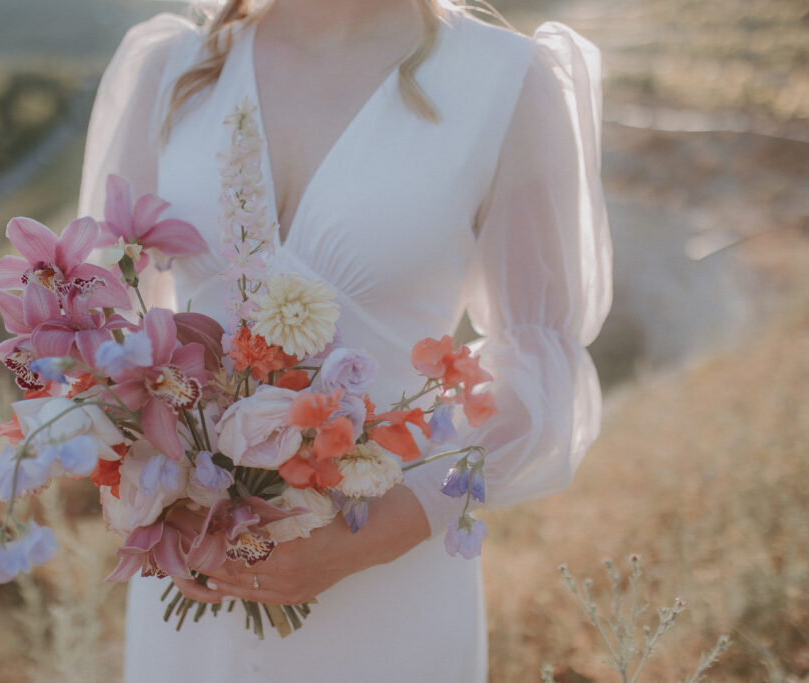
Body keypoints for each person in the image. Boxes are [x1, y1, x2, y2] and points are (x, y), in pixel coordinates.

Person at [78, 0, 612, 680]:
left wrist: (364, 542)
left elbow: (542, 361)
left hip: (391, 591)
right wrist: (172, 507)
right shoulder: (173, 69)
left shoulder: (507, 81)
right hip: (198, 576)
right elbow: (111, 323)